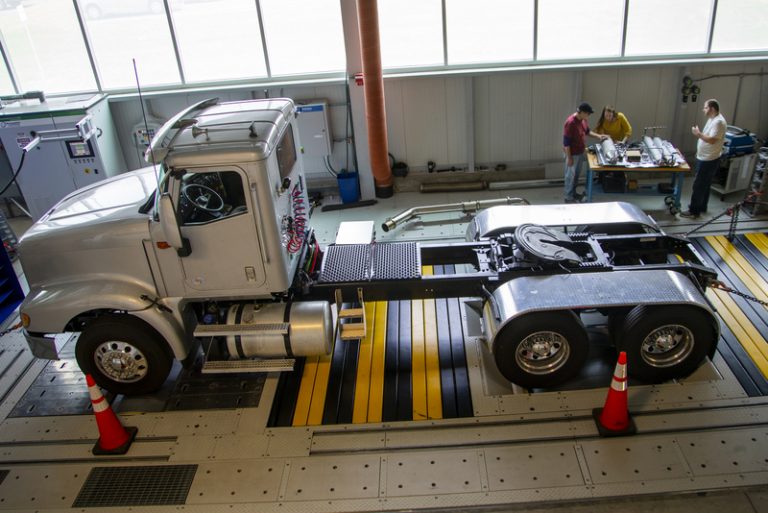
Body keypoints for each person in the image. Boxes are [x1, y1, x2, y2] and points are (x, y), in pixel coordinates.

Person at [680, 99, 727, 219]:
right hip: (705, 157)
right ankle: (702, 206)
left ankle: (694, 210)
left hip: (708, 160)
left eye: (705, 107)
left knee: (699, 185)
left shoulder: (718, 122)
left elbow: (712, 140)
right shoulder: (712, 119)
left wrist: (698, 134)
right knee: (705, 184)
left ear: (712, 109)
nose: (703, 110)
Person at [563, 102, 608, 203]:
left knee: (576, 176)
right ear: (582, 112)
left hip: (579, 152)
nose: (589, 115)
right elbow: (566, 143)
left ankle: (573, 193)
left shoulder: (583, 120)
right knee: (570, 177)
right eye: (588, 113)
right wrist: (569, 158)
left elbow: (587, 131)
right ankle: (568, 198)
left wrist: (599, 136)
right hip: (572, 154)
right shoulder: (570, 123)